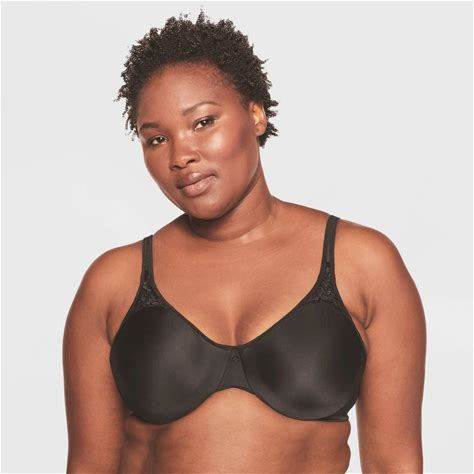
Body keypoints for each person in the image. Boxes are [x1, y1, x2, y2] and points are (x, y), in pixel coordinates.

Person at [62, 9, 426, 474]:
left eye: (202, 122)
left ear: (255, 114)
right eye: (156, 140)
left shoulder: (363, 264)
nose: (181, 155)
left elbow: (395, 463)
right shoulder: (114, 284)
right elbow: (89, 467)